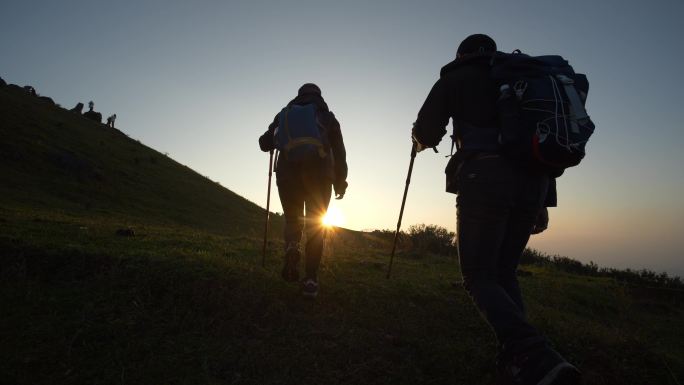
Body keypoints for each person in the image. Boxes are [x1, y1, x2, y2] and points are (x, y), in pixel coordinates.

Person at [412, 34, 581, 385]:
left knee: (478, 274)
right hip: (533, 183)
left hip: (485, 175)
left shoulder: (456, 77)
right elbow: (536, 142)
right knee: (504, 272)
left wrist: (418, 140)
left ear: (462, 54)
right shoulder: (522, 77)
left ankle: (536, 355)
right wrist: (543, 202)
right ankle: (520, 358)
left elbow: (428, 130)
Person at [258, 83, 347, 298]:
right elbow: (340, 152)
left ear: (298, 96)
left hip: (288, 175)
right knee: (317, 226)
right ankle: (310, 280)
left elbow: (264, 143)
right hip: (320, 176)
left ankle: (292, 247)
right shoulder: (328, 117)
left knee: (292, 219)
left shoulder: (284, 115)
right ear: (319, 97)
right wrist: (340, 182)